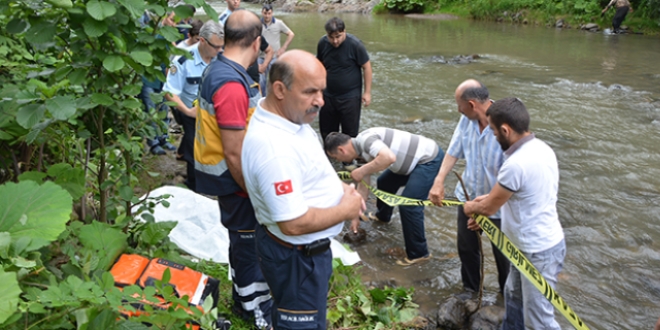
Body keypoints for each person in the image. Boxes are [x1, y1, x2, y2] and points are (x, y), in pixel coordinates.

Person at [242, 49, 365, 329]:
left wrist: (340, 190)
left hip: (303, 255)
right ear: (279, 89)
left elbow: (307, 170)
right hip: (297, 260)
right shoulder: (275, 150)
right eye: (311, 92)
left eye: (322, 91)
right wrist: (344, 209)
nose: (320, 101)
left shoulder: (288, 117)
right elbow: (293, 224)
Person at [194, 10, 272, 329]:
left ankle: (243, 297)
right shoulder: (229, 83)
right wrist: (254, 193)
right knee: (248, 244)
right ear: (256, 43)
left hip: (226, 178)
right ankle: (253, 308)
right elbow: (234, 151)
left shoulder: (222, 68)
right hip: (233, 181)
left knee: (243, 241)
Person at [463, 97, 565, 330]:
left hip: (537, 251)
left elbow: (488, 208)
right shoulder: (542, 148)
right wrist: (487, 200)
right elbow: (515, 194)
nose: (492, 135)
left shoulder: (516, 164)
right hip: (529, 247)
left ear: (506, 129)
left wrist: (470, 207)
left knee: (540, 321)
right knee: (514, 299)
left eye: (493, 131)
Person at [428, 79, 510, 294]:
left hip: (499, 205)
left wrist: (486, 209)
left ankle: (506, 300)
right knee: (466, 248)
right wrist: (439, 180)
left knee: (504, 256)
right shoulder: (466, 120)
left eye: (459, 105)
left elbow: (514, 173)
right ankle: (471, 292)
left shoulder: (506, 123)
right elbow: (454, 150)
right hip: (468, 197)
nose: (458, 110)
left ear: (472, 104)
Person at [325, 128, 443, 265]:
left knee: (409, 206)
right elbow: (363, 187)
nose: (338, 160)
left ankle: (419, 254)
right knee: (384, 183)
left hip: (427, 160)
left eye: (335, 157)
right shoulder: (360, 152)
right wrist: (356, 214)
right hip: (409, 163)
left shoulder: (366, 140)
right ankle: (383, 217)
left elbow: (388, 158)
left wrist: (361, 170)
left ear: (341, 150)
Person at [163, 21, 224, 193]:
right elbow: (169, 92)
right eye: (216, 46)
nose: (219, 50)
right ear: (202, 41)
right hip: (193, 115)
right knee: (193, 152)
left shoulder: (222, 58)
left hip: (217, 114)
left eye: (222, 46)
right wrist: (188, 111)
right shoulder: (182, 60)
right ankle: (194, 187)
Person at [316, 17, 372, 141]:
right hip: (328, 95)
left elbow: (367, 67)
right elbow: (319, 66)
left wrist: (367, 93)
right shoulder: (322, 43)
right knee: (327, 133)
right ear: (327, 34)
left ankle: (348, 161)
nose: (335, 41)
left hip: (350, 97)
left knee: (350, 135)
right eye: (331, 37)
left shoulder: (355, 45)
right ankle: (329, 159)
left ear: (344, 31)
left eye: (338, 36)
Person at [139, 11, 177, 155]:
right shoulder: (148, 33)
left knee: (163, 110)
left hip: (162, 79)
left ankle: (163, 139)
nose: (174, 24)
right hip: (147, 79)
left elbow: (172, 58)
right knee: (150, 111)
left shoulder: (167, 36)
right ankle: (153, 143)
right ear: (163, 18)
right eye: (172, 20)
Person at [259, 4, 295, 95]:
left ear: (272, 13)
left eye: (269, 13)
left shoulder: (279, 23)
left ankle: (273, 99)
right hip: (261, 57)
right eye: (265, 13)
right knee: (261, 80)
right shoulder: (257, 24)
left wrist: (283, 48)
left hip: (274, 57)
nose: (267, 16)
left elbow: (291, 34)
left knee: (275, 80)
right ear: (262, 12)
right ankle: (262, 99)